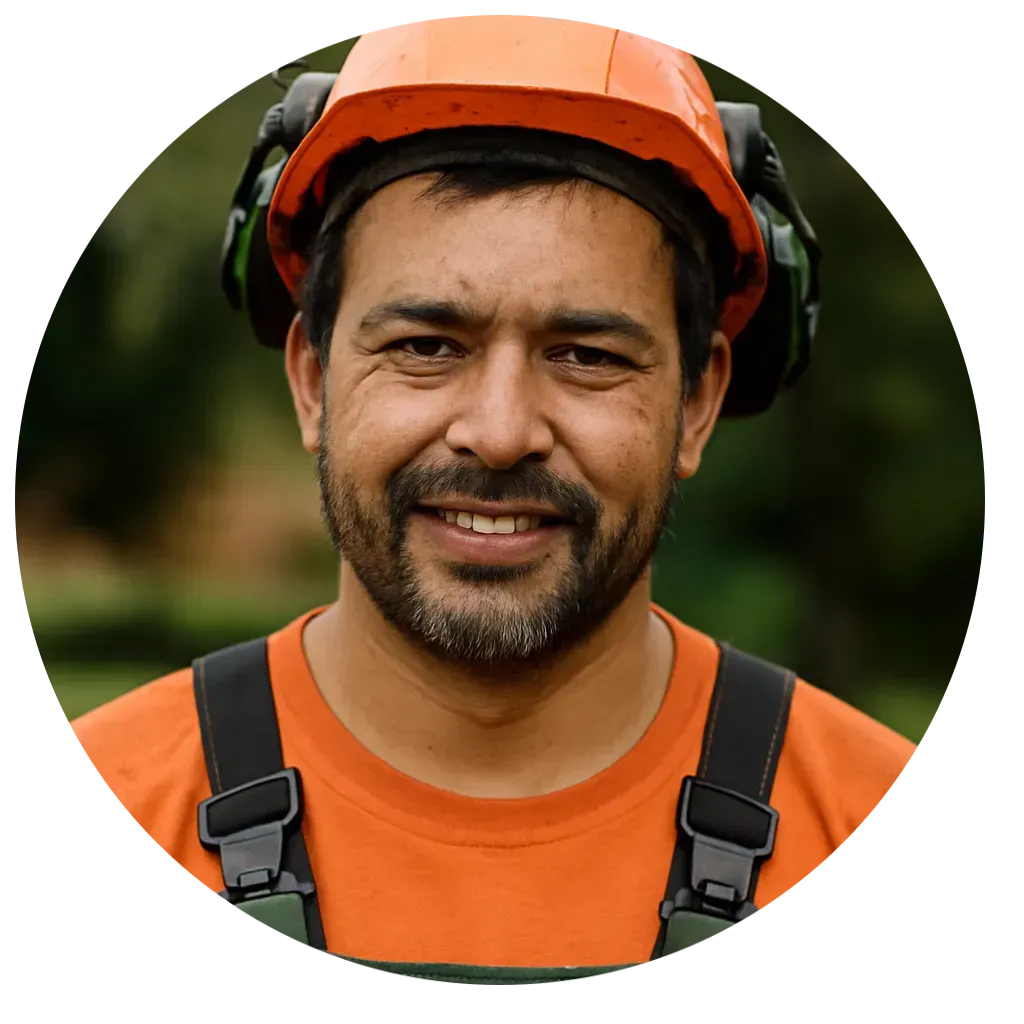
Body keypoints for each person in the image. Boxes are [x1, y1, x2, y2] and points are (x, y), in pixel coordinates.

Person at [69, 16, 1023, 968]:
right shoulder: (120, 791)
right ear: (313, 381)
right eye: (425, 348)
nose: (499, 431)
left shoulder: (909, 859)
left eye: (586, 356)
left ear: (697, 401)